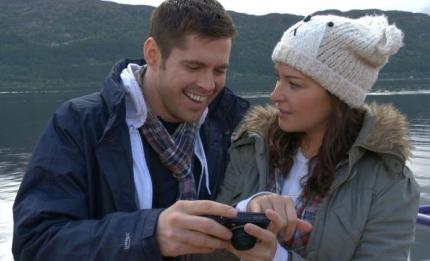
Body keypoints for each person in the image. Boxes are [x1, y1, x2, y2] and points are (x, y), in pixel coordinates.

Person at [12, 0, 254, 260]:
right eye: (193, 67)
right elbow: (35, 243)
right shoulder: (79, 123)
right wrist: (149, 234)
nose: (208, 85)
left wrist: (257, 205)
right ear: (153, 53)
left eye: (219, 70)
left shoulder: (231, 126)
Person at [216, 14, 420, 260]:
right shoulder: (251, 148)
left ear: (338, 96)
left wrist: (277, 257)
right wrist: (246, 209)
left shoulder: (389, 181)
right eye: (278, 78)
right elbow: (207, 249)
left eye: (294, 84)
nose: (275, 95)